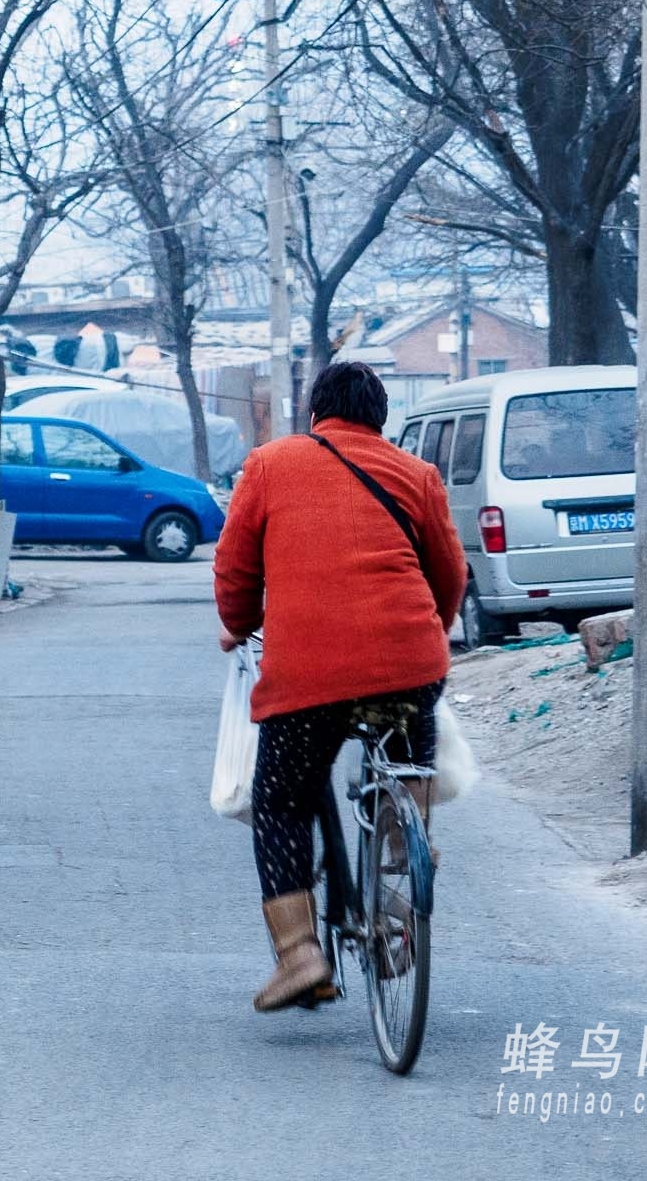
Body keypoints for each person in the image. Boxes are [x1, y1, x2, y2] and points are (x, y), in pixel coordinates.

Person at [212, 360, 467, 1011]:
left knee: (281, 803)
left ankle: (299, 956)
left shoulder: (271, 464)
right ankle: (401, 894)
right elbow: (450, 575)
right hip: (410, 666)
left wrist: (240, 627)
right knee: (407, 770)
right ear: (381, 419)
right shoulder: (417, 475)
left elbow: (235, 571)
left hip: (309, 674)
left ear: (315, 414)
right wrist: (424, 635)